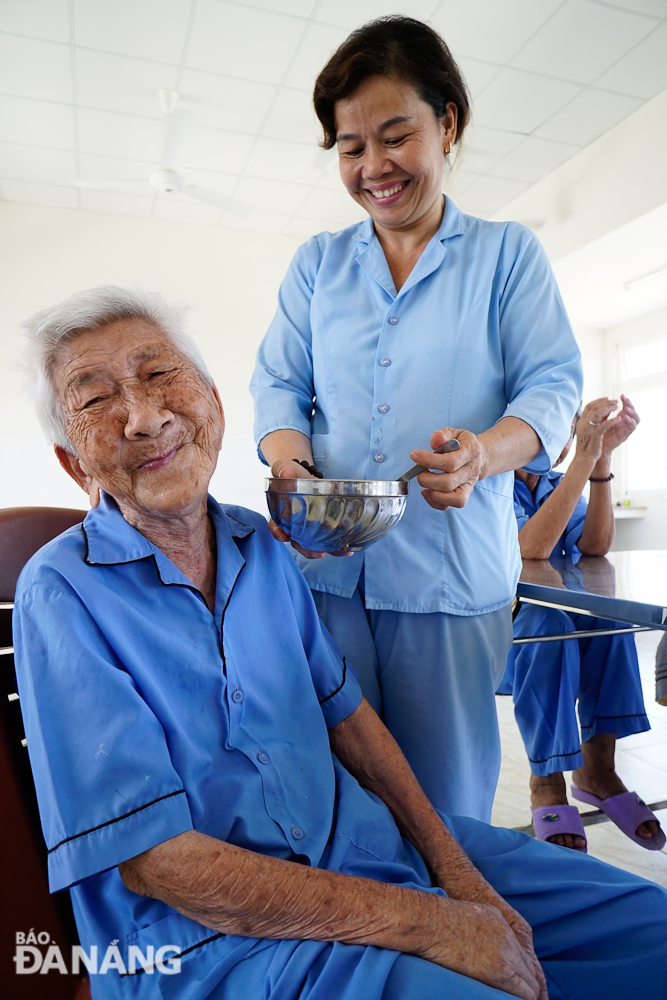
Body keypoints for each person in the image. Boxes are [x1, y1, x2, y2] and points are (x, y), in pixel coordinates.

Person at [13, 287, 667, 1000]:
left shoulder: (259, 549)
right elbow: (159, 863)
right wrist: (433, 923)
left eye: (159, 374)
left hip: (366, 851)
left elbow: (347, 718)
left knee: (650, 927)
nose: (143, 417)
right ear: (74, 463)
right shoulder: (60, 590)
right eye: (96, 397)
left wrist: (455, 870)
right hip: (213, 940)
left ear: (214, 406)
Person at [250, 16, 583, 823]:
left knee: (445, 803)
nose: (373, 167)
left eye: (394, 136)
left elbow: (552, 386)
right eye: (350, 146)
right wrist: (290, 463)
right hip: (327, 568)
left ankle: (454, 935)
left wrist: (484, 455)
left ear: (448, 125)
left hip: (448, 573)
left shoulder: (505, 255)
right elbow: (277, 383)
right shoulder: (318, 264)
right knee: (338, 791)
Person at [499, 396, 665, 852]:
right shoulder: (493, 486)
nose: (556, 442)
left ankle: (598, 769)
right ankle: (546, 780)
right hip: (499, 626)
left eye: (566, 433)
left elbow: (594, 546)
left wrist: (601, 461)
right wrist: (585, 462)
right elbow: (529, 550)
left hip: (550, 609)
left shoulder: (558, 481)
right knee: (548, 623)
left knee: (608, 617)